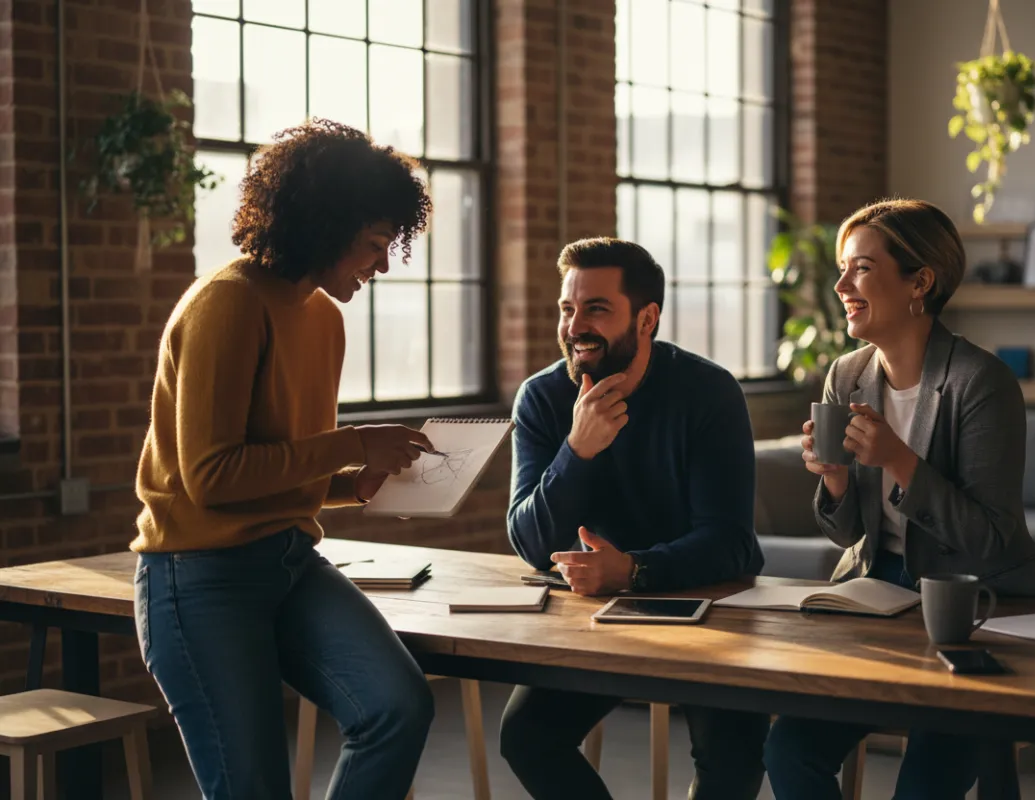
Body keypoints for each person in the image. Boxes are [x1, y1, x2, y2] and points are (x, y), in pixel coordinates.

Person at [131, 119, 438, 800]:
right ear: (325, 225)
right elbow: (211, 479)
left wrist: (350, 484)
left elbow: (277, 463)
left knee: (396, 706)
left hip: (289, 561)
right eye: (372, 246)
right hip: (199, 577)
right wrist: (356, 442)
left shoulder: (323, 318)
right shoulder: (228, 303)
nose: (381, 267)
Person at [763, 198, 1035, 800]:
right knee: (788, 750)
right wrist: (836, 481)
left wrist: (898, 460)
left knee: (924, 785)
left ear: (920, 281)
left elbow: (991, 540)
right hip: (878, 588)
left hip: (978, 604)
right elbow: (848, 535)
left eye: (862, 268)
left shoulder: (981, 382)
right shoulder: (846, 375)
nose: (841, 284)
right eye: (844, 268)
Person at [501, 237, 770, 800]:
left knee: (734, 759)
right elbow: (529, 542)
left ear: (647, 318)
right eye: (567, 309)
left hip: (711, 609)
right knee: (526, 736)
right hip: (596, 617)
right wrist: (577, 450)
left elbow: (730, 541)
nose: (576, 326)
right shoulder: (543, 398)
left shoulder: (708, 392)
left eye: (596, 308)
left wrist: (633, 571)